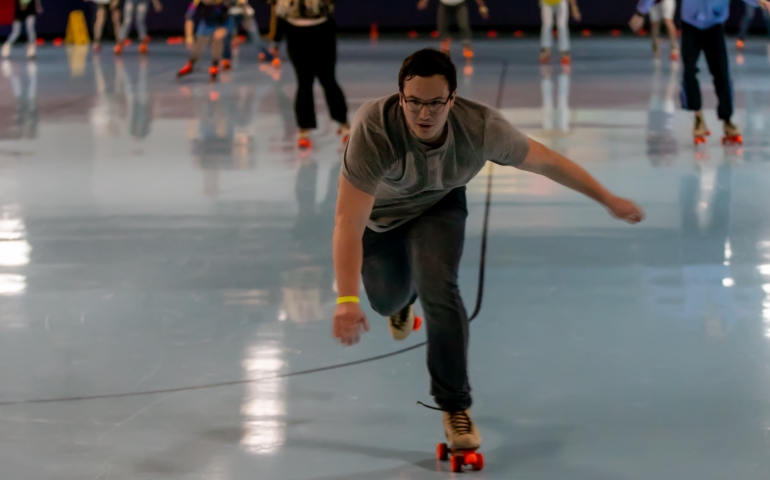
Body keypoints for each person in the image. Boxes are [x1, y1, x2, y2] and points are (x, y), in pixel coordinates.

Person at [332, 49, 644, 452]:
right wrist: (345, 298)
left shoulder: (480, 128)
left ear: (453, 99)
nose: (424, 115)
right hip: (380, 221)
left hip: (439, 207)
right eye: (414, 103)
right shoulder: (376, 130)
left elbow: (546, 162)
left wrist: (607, 198)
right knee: (386, 299)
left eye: (435, 104)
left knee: (440, 290)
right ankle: (402, 302)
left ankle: (454, 406)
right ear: (400, 96)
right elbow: (348, 221)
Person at [630, 0, 770, 145]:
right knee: (689, 72)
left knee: (721, 73)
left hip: (714, 27)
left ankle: (727, 119)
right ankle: (697, 115)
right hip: (691, 26)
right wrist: (641, 11)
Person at [272, 0, 348, 150]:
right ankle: (304, 128)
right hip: (295, 33)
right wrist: (276, 40)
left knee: (328, 80)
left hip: (322, 31)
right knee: (304, 82)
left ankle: (343, 123)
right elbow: (280, 10)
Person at [177, 0, 233, 82]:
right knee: (198, 46)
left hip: (221, 23)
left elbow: (231, 18)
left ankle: (215, 65)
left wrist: (225, 29)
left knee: (217, 40)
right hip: (206, 24)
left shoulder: (225, 3)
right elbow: (189, 17)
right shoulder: (196, 2)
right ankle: (190, 64)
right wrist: (189, 37)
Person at [416, 0, 489, 59]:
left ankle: (467, 48)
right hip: (444, 4)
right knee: (442, 26)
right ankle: (444, 50)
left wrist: (482, 7)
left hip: (460, 4)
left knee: (463, 25)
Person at [539, 0, 581, 65]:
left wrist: (574, 7)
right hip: (546, 2)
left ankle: (564, 51)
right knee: (547, 24)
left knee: (562, 25)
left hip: (561, 2)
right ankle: (545, 48)